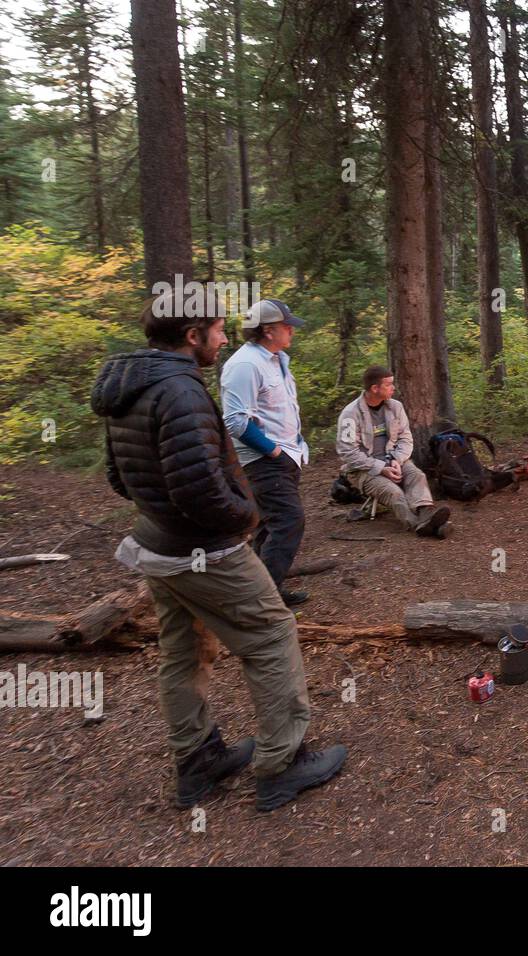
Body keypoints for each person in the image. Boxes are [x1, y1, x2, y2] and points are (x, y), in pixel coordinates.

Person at [90, 295, 346, 813]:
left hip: (154, 544)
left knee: (184, 650)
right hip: (202, 549)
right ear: (192, 334)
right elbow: (200, 490)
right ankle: (282, 763)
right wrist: (245, 518)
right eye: (218, 330)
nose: (225, 338)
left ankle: (198, 760)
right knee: (273, 634)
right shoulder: (179, 391)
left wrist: (161, 512)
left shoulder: (129, 385)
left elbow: (120, 477)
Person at [220, 298, 311, 606]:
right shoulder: (245, 364)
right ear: (269, 331)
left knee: (267, 526)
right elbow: (235, 420)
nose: (292, 333)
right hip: (263, 462)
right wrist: (273, 452)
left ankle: (262, 589)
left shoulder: (275, 360)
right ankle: (264, 599)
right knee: (288, 521)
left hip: (285, 457)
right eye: (287, 327)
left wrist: (296, 448)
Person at [336, 365, 451, 537]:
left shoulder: (395, 407)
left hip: (395, 461)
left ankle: (427, 513)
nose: (393, 388)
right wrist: (381, 468)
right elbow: (347, 452)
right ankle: (419, 524)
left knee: (417, 475)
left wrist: (397, 459)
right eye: (389, 384)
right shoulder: (350, 414)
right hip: (365, 470)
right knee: (394, 493)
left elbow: (406, 438)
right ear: (375, 388)